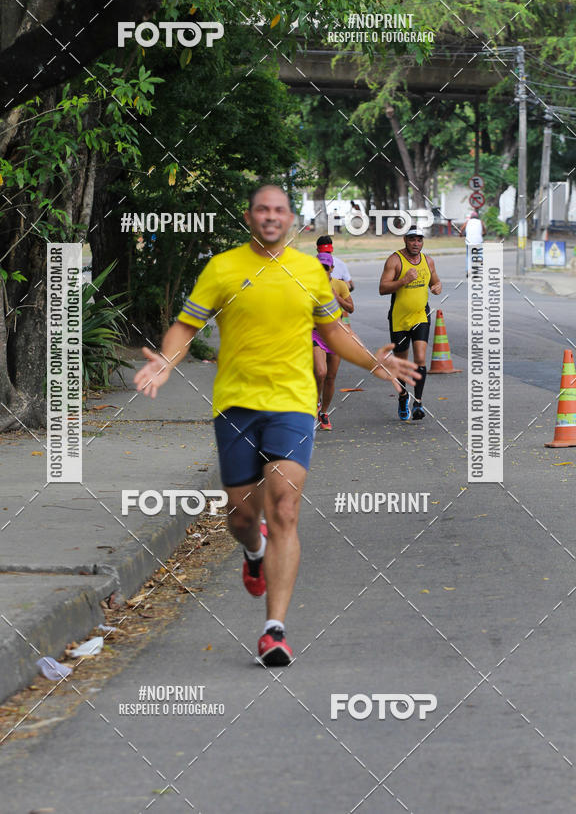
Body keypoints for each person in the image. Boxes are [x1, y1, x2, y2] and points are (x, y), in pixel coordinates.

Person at [134, 185, 419, 666]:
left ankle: (275, 631)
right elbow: (187, 325)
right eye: (262, 209)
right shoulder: (223, 268)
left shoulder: (309, 272)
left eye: (279, 210)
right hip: (236, 405)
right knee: (243, 517)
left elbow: (332, 331)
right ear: (249, 217)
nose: (270, 216)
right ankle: (254, 551)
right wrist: (166, 360)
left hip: (293, 404)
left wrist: (374, 362)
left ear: (291, 219)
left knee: (284, 505)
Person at [379, 225, 442, 421]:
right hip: (399, 319)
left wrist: (437, 287)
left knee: (420, 359)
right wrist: (403, 280)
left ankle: (418, 403)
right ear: (405, 240)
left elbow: (435, 282)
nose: (416, 243)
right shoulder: (395, 260)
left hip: (420, 316)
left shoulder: (428, 261)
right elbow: (382, 288)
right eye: (412, 239)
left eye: (419, 240)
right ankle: (403, 396)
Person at [312, 252, 354, 430]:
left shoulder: (340, 285)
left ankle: (324, 412)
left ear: (332, 268)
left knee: (330, 377)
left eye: (325, 267)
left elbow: (351, 308)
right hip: (315, 333)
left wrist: (337, 297)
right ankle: (315, 403)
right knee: (320, 372)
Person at [460, 210, 486, 276]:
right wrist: (483, 234)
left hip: (469, 242)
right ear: (477, 217)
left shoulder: (467, 222)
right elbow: (484, 231)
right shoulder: (480, 222)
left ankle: (468, 270)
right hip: (478, 241)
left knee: (469, 256)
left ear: (471, 217)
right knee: (479, 254)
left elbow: (461, 229)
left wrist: (460, 235)